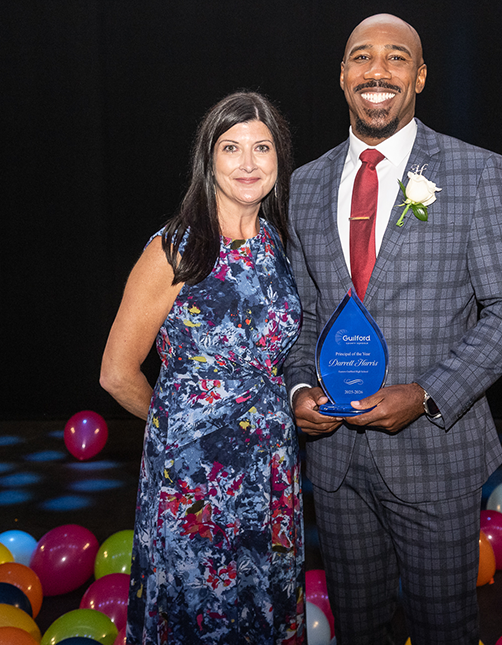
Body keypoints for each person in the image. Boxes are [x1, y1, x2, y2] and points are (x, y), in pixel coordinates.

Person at [285, 13, 502, 645]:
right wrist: (296, 394)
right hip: (337, 460)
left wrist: (427, 395)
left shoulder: (475, 172)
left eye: (396, 58)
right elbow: (304, 315)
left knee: (443, 628)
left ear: (421, 76)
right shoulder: (304, 184)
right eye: (361, 58)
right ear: (343, 75)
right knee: (357, 628)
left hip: (435, 454)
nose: (378, 71)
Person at [100, 91, 305, 644]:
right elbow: (117, 372)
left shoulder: (277, 244)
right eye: (230, 147)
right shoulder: (176, 249)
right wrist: (182, 428)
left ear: (279, 159)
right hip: (195, 484)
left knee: (263, 606)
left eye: (262, 147)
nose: (247, 162)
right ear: (207, 159)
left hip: (272, 470)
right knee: (199, 616)